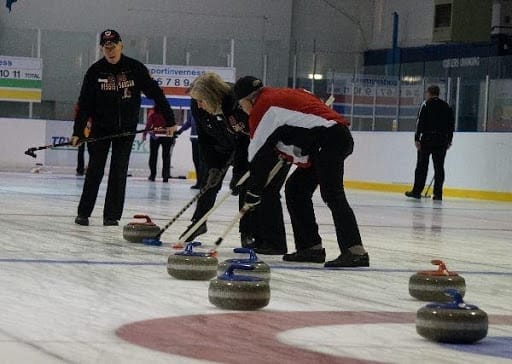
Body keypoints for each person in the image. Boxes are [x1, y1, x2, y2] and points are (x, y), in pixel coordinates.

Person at [234, 76, 369, 267]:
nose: (243, 110)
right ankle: (310, 247)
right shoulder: (285, 93)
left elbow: (259, 157)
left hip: (328, 140)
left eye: (241, 105)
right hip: (334, 137)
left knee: (333, 194)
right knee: (296, 189)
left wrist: (254, 191)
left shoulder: (263, 108)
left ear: (248, 100)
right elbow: (304, 119)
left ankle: (355, 251)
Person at [71, 29, 176, 226]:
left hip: (125, 130)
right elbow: (84, 103)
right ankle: (83, 212)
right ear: (102, 48)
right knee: (95, 170)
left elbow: (156, 94)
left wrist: (170, 120)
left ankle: (111, 216)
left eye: (113, 45)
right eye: (106, 46)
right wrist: (78, 132)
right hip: (100, 129)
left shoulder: (134, 68)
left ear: (121, 45)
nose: (110, 50)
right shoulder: (95, 71)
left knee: (119, 172)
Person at [181, 72, 290, 256]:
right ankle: (198, 222)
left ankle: (247, 232)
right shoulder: (197, 105)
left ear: (211, 95)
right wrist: (212, 165)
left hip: (245, 145)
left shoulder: (236, 101)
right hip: (220, 145)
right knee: (209, 183)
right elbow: (204, 139)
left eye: (201, 100)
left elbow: (246, 139)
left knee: (248, 184)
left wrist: (239, 169)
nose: (198, 105)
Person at [405, 85, 455, 201]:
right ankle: (438, 194)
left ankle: (417, 191)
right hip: (441, 140)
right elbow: (451, 125)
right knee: (439, 168)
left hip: (427, 139)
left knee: (422, 166)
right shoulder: (446, 106)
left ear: (429, 93)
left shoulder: (426, 104)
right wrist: (449, 140)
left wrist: (417, 138)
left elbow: (420, 122)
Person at [143, 106, 176, 182]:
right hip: (167, 136)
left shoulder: (153, 114)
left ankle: (152, 175)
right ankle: (165, 176)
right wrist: (173, 137)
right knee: (166, 157)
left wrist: (145, 135)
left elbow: (148, 125)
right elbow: (173, 125)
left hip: (155, 136)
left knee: (153, 156)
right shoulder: (168, 114)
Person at [177, 107, 204, 189]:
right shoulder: (193, 111)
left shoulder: (204, 110)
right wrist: (180, 131)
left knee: (202, 161)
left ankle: (203, 182)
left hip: (202, 140)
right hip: (194, 140)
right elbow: (188, 123)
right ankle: (199, 182)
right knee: (196, 160)